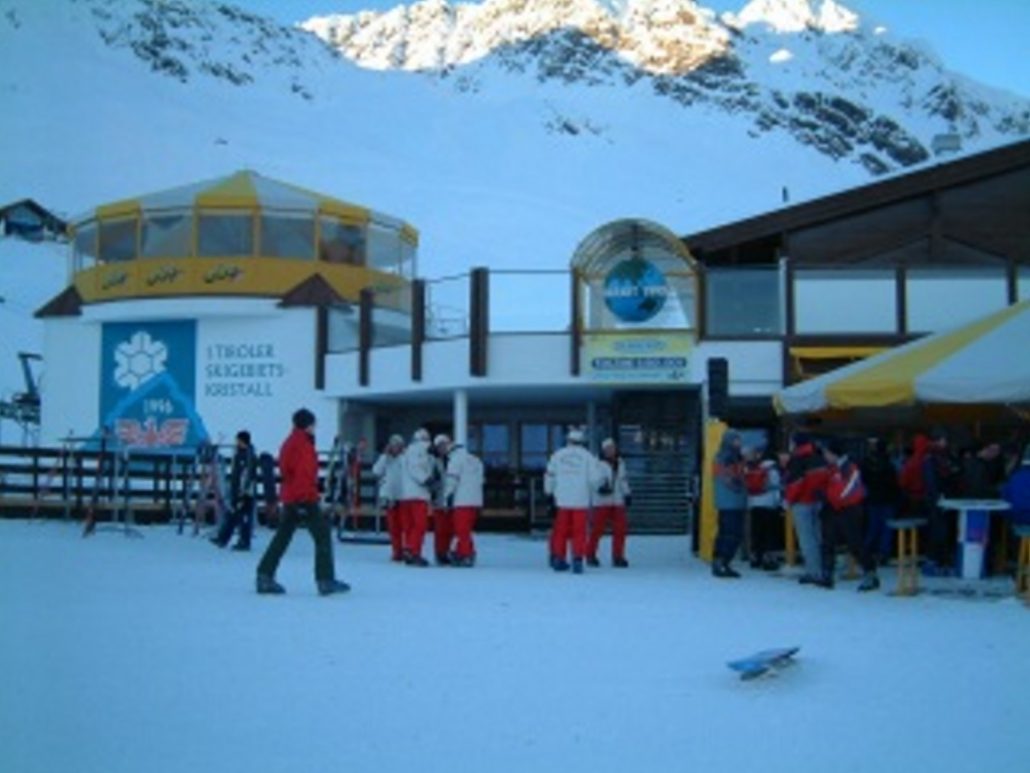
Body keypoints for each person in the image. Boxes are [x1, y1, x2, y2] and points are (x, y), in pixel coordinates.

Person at [255, 409, 350, 596]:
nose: (315, 428)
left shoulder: (290, 442)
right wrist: (305, 498)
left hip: (291, 496)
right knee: (322, 535)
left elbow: (289, 471)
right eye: (313, 424)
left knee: (282, 537)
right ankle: (325, 579)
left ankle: (264, 574)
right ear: (308, 425)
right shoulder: (303, 445)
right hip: (303, 498)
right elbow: (303, 474)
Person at [544, 428, 609, 574]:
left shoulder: (557, 455)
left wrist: (549, 493)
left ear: (568, 440)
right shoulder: (588, 457)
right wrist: (601, 485)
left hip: (562, 501)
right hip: (581, 501)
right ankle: (577, 559)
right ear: (582, 442)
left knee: (560, 531)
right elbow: (595, 479)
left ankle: (559, 558)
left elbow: (550, 476)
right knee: (579, 532)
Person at [820, 440, 880, 591]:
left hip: (850, 509)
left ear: (834, 453)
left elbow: (850, 488)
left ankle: (870, 573)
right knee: (828, 541)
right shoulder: (831, 468)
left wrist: (834, 498)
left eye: (827, 453)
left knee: (855, 543)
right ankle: (827, 573)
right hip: (834, 508)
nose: (825, 456)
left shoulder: (850, 467)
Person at [784, 432, 830, 585]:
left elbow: (795, 484)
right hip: (819, 502)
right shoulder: (819, 457)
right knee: (818, 536)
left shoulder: (797, 459)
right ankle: (824, 569)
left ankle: (813, 572)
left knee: (806, 539)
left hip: (802, 502)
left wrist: (789, 500)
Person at [587, 437, 632, 568]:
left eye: (612, 448)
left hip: (617, 500)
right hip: (601, 501)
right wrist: (599, 488)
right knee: (597, 530)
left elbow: (623, 480)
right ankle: (590, 555)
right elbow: (592, 480)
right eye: (607, 448)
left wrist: (627, 493)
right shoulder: (595, 463)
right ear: (603, 450)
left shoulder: (620, 462)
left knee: (621, 529)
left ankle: (618, 556)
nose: (610, 451)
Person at [211, 430, 258, 551]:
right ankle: (222, 538)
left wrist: (243, 492)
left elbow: (247, 475)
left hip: (245, 493)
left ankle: (244, 542)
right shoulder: (239, 454)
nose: (236, 443)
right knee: (232, 514)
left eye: (238, 440)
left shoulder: (248, 456)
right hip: (237, 490)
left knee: (243, 517)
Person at [442, 436, 485, 567]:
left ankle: (465, 554)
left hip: (462, 500)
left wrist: (446, 496)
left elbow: (452, 481)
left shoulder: (455, 460)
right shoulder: (476, 460)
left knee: (461, 530)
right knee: (467, 529)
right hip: (475, 501)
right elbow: (481, 480)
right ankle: (468, 552)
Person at [860, 436, 902, 563]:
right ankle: (884, 553)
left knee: (873, 527)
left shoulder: (866, 463)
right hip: (887, 500)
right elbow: (895, 484)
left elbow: (863, 480)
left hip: (872, 499)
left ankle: (866, 551)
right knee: (886, 528)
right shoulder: (889, 465)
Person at [711, 429, 747, 578]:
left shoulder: (733, 457)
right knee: (731, 533)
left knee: (726, 532)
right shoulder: (726, 457)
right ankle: (722, 561)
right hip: (730, 501)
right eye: (736, 440)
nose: (739, 442)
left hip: (731, 502)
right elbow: (728, 478)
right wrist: (740, 484)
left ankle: (721, 562)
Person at [398, 427, 434, 566]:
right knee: (420, 525)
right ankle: (413, 550)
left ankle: (410, 549)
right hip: (418, 494)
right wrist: (426, 479)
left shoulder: (407, 452)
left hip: (406, 494)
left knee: (410, 525)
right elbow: (416, 468)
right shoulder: (420, 450)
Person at [744, 446, 781, 571]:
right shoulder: (773, 469)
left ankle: (755, 557)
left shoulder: (754, 467)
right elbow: (776, 487)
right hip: (769, 504)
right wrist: (778, 503)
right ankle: (768, 558)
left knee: (757, 532)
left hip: (755, 504)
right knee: (769, 532)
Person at [372, 434, 406, 561]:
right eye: (393, 445)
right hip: (389, 496)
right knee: (393, 527)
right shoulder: (385, 459)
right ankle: (397, 551)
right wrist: (384, 457)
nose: (395, 448)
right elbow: (376, 471)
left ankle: (406, 550)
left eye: (397, 445)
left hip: (403, 496)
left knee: (404, 525)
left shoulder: (405, 459)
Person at [431, 434, 454, 565]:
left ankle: (446, 551)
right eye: (440, 445)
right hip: (439, 498)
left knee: (450, 528)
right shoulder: (433, 461)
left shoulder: (452, 460)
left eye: (445, 445)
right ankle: (440, 553)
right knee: (440, 529)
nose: (443, 448)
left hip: (451, 498)